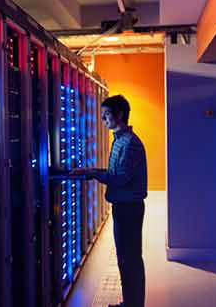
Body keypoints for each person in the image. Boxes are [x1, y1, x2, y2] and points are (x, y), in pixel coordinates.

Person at [71, 95, 147, 307]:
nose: (103, 120)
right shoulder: (121, 140)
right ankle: (130, 302)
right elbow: (116, 172)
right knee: (126, 258)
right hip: (124, 206)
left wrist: (94, 173)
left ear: (119, 114)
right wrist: (91, 170)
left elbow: (120, 178)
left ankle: (133, 304)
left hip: (128, 208)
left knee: (129, 259)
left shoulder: (128, 144)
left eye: (106, 115)